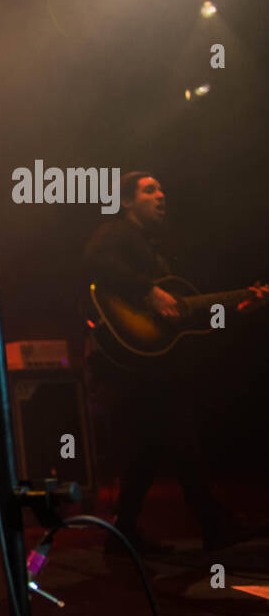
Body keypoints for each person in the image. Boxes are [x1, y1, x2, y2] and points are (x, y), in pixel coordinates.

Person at [82, 171, 265, 555]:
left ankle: (124, 530)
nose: (161, 194)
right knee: (178, 435)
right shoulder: (115, 233)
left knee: (150, 445)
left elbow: (186, 317)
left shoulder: (160, 248)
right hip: (138, 361)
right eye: (150, 190)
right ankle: (212, 524)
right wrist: (146, 290)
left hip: (156, 362)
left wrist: (237, 309)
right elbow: (94, 260)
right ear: (128, 201)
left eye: (162, 188)